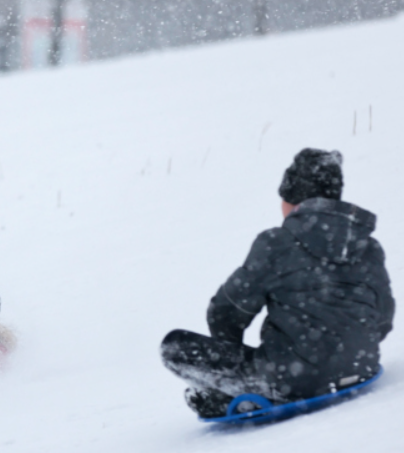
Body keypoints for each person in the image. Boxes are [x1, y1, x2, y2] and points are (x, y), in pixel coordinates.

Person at [161, 148, 394, 418]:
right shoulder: (369, 246)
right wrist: (347, 350)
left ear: (292, 200)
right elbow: (383, 319)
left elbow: (226, 311)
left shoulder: (276, 243)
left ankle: (237, 396)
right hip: (362, 367)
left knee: (174, 346)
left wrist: (230, 368)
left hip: (293, 381)